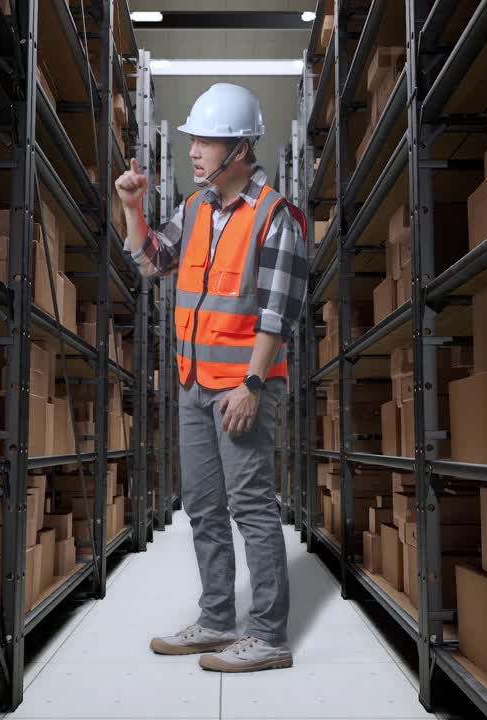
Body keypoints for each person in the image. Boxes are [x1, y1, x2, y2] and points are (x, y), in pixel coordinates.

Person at [115, 83, 308, 673]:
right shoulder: (194, 209)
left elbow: (280, 311)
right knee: (202, 506)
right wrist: (131, 207)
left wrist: (252, 385)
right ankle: (218, 619)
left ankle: (270, 635)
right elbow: (152, 262)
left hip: (243, 388)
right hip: (192, 384)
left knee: (250, 507)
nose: (194, 151)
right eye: (194, 140)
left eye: (207, 140)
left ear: (241, 149)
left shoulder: (276, 216)